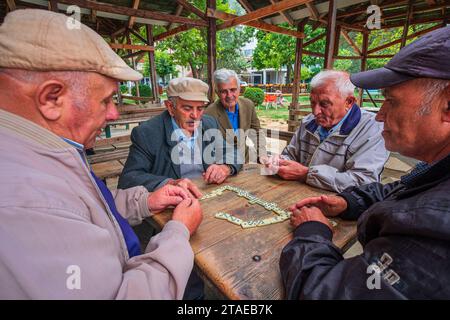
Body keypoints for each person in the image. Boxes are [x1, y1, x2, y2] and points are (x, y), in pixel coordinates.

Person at [0, 9, 203, 299]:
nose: (113, 113)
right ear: (51, 98)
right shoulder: (25, 203)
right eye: (105, 100)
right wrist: (178, 231)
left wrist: (145, 201)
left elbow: (87, 210)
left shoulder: (40, 150)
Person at [280, 26, 450, 299]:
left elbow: (321, 293)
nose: (380, 115)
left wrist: (312, 232)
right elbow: (396, 190)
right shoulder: (435, 171)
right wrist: (349, 202)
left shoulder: (436, 231)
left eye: (391, 101)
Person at [263, 70, 389, 192]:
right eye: (312, 103)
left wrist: (306, 174)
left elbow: (363, 181)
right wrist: (279, 161)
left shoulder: (372, 129)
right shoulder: (309, 122)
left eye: (324, 104)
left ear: (349, 102)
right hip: (298, 194)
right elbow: (291, 155)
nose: (315, 112)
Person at [118, 77, 242, 195]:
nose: (195, 115)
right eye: (187, 108)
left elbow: (234, 153)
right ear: (171, 107)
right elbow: (128, 179)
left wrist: (225, 167)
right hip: (171, 204)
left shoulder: (209, 123)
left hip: (208, 195)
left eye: (200, 108)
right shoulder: (147, 133)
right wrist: (170, 183)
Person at [205, 68, 267, 163]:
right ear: (217, 93)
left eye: (233, 90)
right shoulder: (209, 113)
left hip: (245, 162)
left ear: (239, 89)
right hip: (222, 166)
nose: (229, 95)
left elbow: (257, 133)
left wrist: (262, 154)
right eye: (223, 91)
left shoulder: (248, 105)